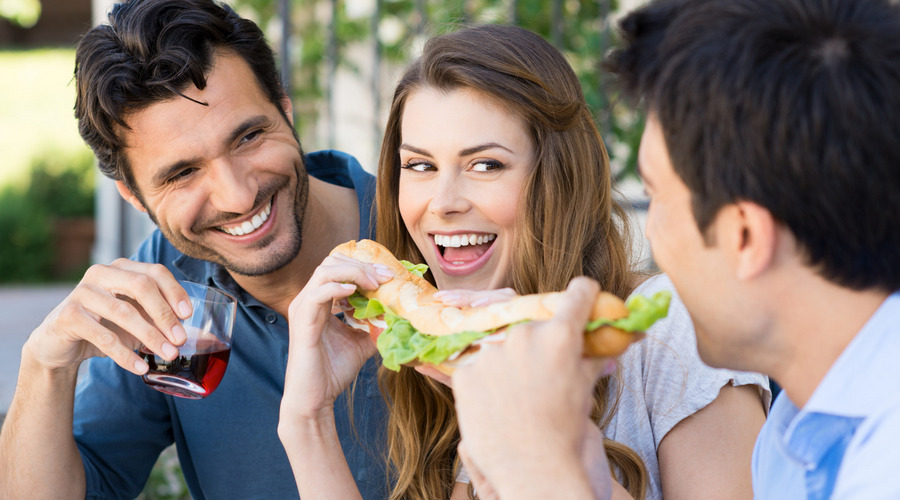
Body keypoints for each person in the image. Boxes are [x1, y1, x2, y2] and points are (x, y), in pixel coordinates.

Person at [278, 24, 769, 500]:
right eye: (420, 166)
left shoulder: (671, 329)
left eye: (486, 165)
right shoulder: (456, 361)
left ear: (557, 178)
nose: (443, 202)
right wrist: (307, 422)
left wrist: (540, 438)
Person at [455, 0, 900, 498]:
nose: (650, 235)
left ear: (744, 236)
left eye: (657, 196)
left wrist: (542, 472)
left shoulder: (886, 458)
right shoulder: (800, 425)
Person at [0, 0, 388, 498]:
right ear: (133, 195)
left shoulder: (432, 238)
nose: (237, 196)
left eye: (248, 136)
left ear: (285, 111)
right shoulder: (160, 289)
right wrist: (45, 366)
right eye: (182, 173)